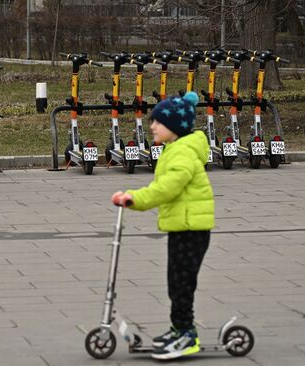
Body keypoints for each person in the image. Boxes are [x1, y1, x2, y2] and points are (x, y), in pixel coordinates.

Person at [111, 91, 214, 360]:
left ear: (175, 127)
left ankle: (187, 336)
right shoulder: (174, 149)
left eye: (158, 122)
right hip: (183, 227)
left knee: (181, 284)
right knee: (176, 282)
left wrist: (135, 198)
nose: (152, 126)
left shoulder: (182, 154)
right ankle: (178, 327)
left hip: (192, 230)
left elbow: (165, 189)